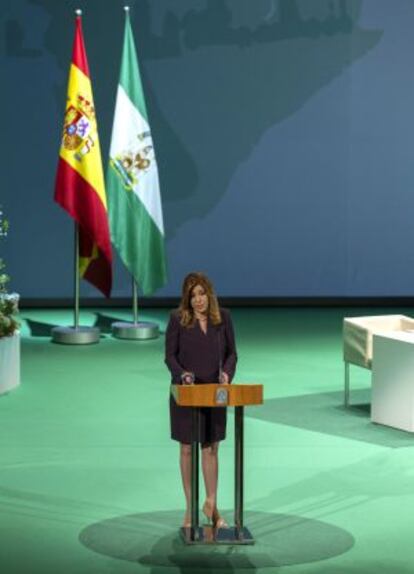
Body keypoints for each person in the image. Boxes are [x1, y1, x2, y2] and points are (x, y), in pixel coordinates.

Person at [165, 271, 238, 529]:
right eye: (192, 295)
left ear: (209, 293)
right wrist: (182, 374)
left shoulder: (223, 319)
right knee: (187, 448)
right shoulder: (178, 320)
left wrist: (227, 374)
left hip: (214, 394)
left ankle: (212, 505)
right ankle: (189, 509)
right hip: (186, 395)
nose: (198, 300)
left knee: (210, 448)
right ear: (187, 299)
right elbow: (170, 357)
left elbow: (232, 354)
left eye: (201, 293)